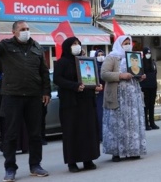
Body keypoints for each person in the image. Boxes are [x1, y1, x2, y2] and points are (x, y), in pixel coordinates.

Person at [0, 19, 51, 181]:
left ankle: (35, 165)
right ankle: (10, 168)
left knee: (35, 134)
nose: (26, 31)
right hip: (12, 96)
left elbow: (44, 72)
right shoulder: (6, 46)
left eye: (27, 28)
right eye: (22, 29)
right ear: (14, 32)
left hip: (34, 96)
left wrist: (46, 91)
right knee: (11, 134)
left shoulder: (37, 47)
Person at [53, 37, 102, 173]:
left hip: (86, 101)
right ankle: (72, 162)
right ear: (67, 46)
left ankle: (88, 159)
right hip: (70, 103)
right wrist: (74, 86)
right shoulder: (62, 63)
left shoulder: (85, 61)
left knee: (88, 130)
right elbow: (57, 79)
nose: (77, 46)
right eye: (74, 44)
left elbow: (90, 77)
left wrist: (96, 86)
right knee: (72, 131)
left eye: (78, 44)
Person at [101, 35, 147, 161]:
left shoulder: (133, 57)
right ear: (119, 44)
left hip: (132, 96)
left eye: (129, 42)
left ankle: (133, 150)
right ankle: (116, 152)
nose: (127, 45)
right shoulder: (112, 57)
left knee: (132, 122)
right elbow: (104, 74)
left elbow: (135, 72)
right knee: (117, 123)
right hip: (118, 96)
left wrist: (140, 76)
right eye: (125, 43)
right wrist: (120, 75)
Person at [140, 47, 160, 130]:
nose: (148, 55)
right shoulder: (141, 63)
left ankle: (152, 122)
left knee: (152, 105)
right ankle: (146, 123)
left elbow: (155, 73)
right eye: (147, 53)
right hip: (145, 87)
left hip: (153, 86)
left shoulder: (153, 63)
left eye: (149, 53)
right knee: (146, 106)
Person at [93, 49, 106, 139]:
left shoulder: (107, 66)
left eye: (102, 54)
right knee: (99, 115)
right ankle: (100, 135)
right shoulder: (94, 67)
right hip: (98, 93)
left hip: (107, 92)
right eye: (98, 55)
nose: (101, 56)